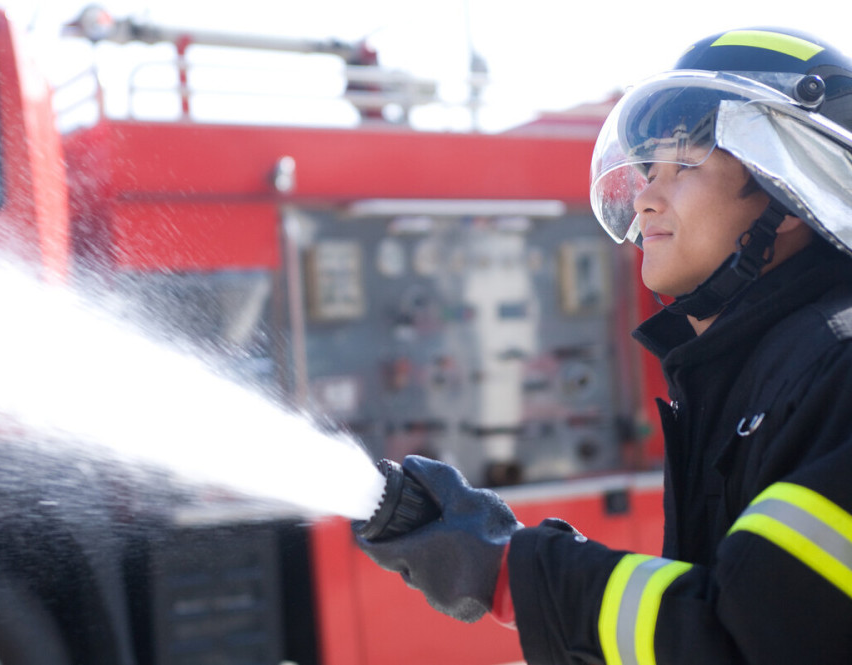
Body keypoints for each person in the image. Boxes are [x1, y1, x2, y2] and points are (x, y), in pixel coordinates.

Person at [356, 27, 852, 664]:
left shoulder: (835, 374)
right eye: (647, 169)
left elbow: (741, 642)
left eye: (684, 165)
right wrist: (505, 554)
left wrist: (508, 566)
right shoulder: (754, 376)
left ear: (789, 195)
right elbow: (717, 606)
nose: (645, 196)